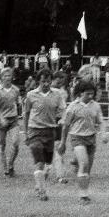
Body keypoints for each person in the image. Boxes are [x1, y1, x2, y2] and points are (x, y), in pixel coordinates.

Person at [58, 81, 108, 204]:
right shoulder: (72, 107)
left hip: (91, 138)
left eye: (92, 94)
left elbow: (100, 121)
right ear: (80, 93)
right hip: (77, 137)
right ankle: (83, 196)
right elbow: (66, 126)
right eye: (87, 94)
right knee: (84, 164)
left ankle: (77, 164)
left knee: (87, 170)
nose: (90, 96)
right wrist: (63, 143)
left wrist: (103, 134)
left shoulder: (95, 106)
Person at [23, 69, 66, 201]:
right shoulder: (31, 95)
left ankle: (39, 184)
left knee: (48, 164)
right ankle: (42, 192)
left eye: (48, 81)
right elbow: (26, 114)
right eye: (43, 81)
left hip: (50, 131)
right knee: (39, 162)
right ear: (38, 81)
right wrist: (26, 133)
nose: (46, 84)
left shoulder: (57, 95)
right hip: (35, 131)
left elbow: (63, 110)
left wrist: (62, 119)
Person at [0, 68, 22, 177]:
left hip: (13, 119)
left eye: (9, 75)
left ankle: (10, 165)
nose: (7, 78)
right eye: (5, 76)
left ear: (12, 77)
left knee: (16, 143)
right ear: (1, 77)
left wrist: (19, 108)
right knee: (2, 145)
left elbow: (18, 102)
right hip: (1, 121)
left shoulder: (16, 90)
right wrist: (1, 119)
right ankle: (5, 170)